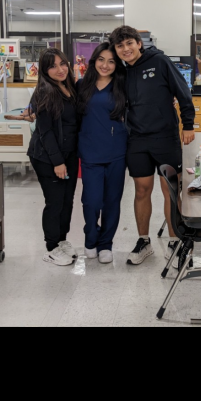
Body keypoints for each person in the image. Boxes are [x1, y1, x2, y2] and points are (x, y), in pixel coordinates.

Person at [110, 25, 196, 266]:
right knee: (141, 190)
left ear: (139, 43)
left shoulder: (159, 62)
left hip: (165, 137)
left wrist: (188, 124)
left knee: (170, 190)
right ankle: (143, 241)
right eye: (120, 46)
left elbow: (183, 92)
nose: (126, 49)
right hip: (137, 140)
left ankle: (175, 240)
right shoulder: (122, 72)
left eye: (129, 43)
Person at [27, 50, 79, 267]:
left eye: (62, 64)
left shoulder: (70, 87)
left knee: (67, 201)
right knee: (55, 202)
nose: (60, 69)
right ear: (44, 70)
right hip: (47, 157)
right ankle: (50, 248)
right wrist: (57, 162)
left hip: (69, 154)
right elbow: (45, 132)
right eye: (53, 66)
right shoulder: (45, 92)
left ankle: (61, 240)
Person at [77, 43, 128, 265]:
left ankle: (106, 243)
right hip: (90, 153)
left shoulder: (122, 86)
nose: (105, 65)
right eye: (101, 59)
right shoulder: (81, 86)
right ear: (94, 60)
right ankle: (91, 238)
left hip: (116, 151)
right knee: (91, 201)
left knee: (112, 201)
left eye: (111, 61)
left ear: (117, 65)